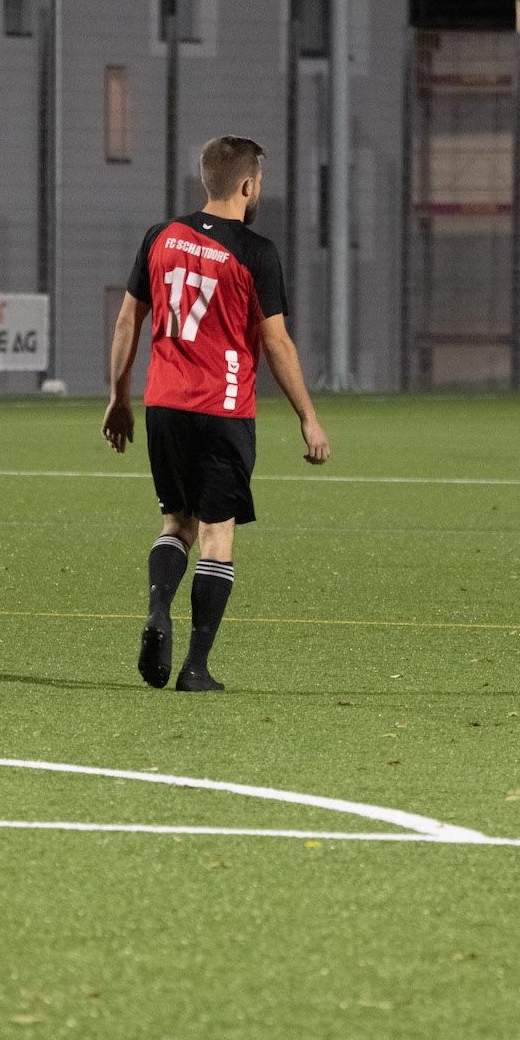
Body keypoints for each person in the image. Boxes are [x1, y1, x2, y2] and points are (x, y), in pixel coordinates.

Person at [102, 135, 331, 692]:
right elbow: (275, 342)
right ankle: (195, 668)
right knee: (216, 533)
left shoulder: (159, 237)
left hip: (164, 405)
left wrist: (119, 397)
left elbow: (128, 321)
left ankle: (159, 610)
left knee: (175, 523)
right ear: (248, 184)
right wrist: (307, 415)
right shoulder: (256, 252)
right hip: (223, 410)